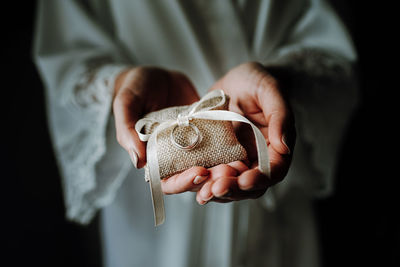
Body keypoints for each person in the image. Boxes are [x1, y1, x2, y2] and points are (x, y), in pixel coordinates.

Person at [34, 0, 358, 266]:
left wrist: (278, 80)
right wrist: (119, 84)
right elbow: (66, 59)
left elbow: (328, 49)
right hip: (149, 223)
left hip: (269, 190)